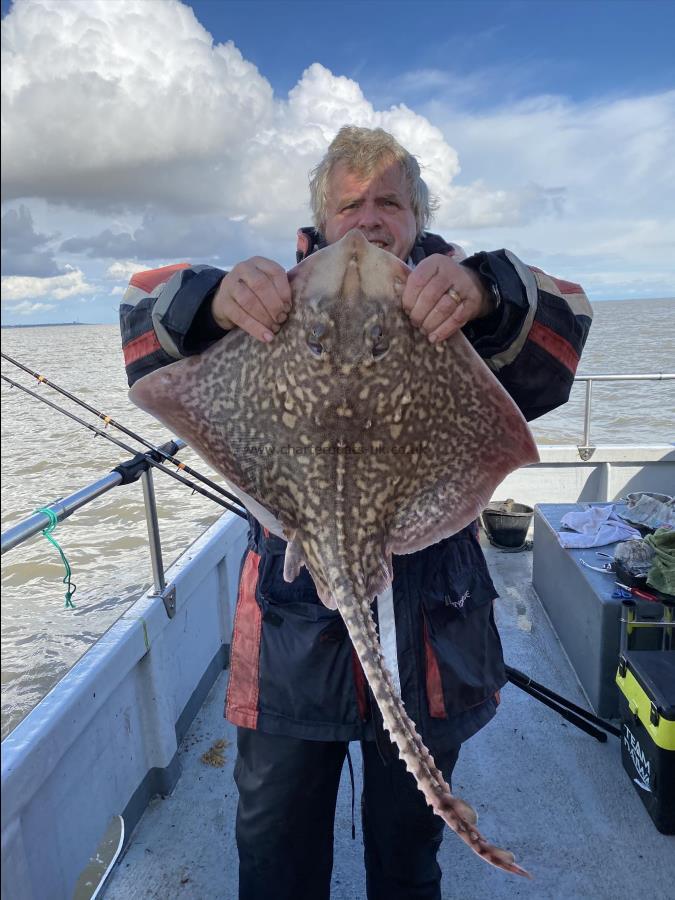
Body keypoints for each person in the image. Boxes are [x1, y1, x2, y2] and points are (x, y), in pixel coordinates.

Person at [120, 126, 592, 899]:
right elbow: (140, 314)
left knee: (406, 861)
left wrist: (485, 292)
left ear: (417, 216)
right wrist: (210, 302)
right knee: (273, 851)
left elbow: (566, 328)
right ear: (321, 218)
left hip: (432, 629)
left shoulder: (461, 296)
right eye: (350, 205)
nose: (368, 221)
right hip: (288, 640)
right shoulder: (264, 298)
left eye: (388, 204)